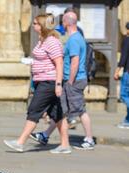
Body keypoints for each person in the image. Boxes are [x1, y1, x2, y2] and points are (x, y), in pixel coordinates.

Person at [4, 14, 69, 154]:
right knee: (56, 114)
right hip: (42, 81)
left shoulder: (52, 41)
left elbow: (59, 63)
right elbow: (44, 59)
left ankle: (20, 142)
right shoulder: (42, 40)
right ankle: (65, 145)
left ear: (42, 25)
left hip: (49, 82)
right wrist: (32, 62)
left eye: (36, 23)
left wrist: (58, 85)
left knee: (34, 110)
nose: (33, 25)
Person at [32, 12, 95, 151]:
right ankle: (45, 134)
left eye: (62, 21)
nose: (61, 23)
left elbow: (75, 62)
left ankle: (89, 139)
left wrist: (70, 82)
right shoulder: (78, 37)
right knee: (62, 110)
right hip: (74, 79)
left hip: (74, 80)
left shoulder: (73, 40)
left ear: (66, 22)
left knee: (80, 110)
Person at [114, 22, 129, 129]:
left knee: (124, 95)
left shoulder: (127, 40)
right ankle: (127, 121)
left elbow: (123, 58)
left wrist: (117, 70)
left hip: (128, 72)